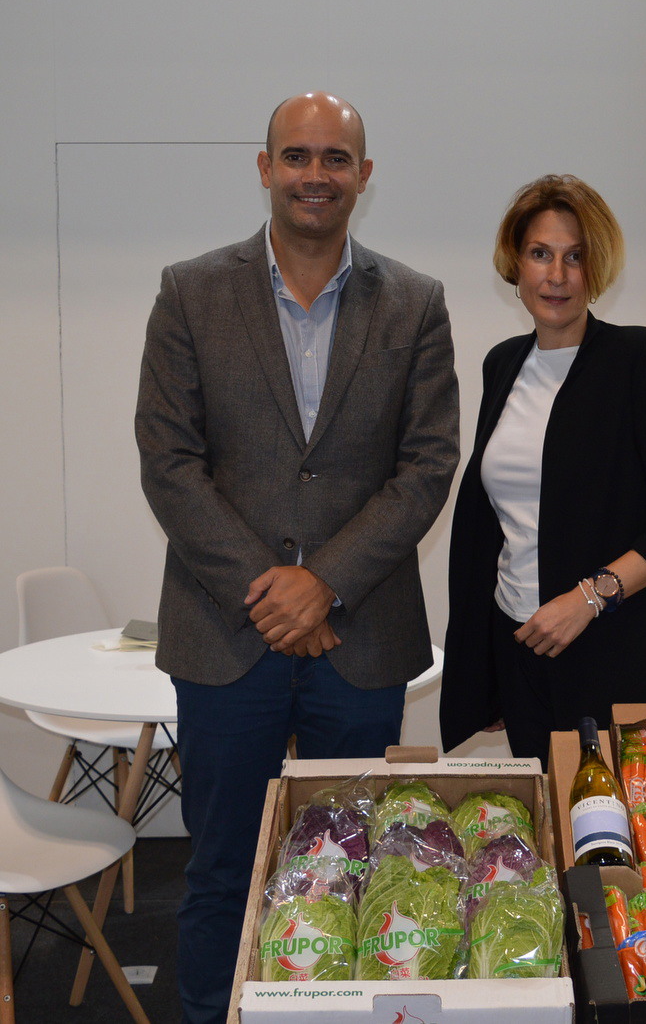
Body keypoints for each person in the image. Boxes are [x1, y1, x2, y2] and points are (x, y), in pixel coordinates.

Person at [135, 92, 459, 1023]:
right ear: (265, 166)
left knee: (353, 868)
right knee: (220, 868)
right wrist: (272, 594)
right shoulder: (190, 291)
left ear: (364, 174)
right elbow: (169, 459)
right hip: (224, 637)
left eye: (335, 158)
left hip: (359, 640)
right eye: (297, 156)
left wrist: (326, 586)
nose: (316, 174)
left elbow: (428, 464)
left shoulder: (415, 302)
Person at [440, 174, 646, 766]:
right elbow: (497, 524)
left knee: (612, 822)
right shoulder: (502, 365)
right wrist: (490, 670)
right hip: (521, 649)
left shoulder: (640, 358)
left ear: (597, 268)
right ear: (516, 264)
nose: (557, 275)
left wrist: (589, 598)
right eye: (540, 254)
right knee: (543, 817)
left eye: (575, 257)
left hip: (615, 654)